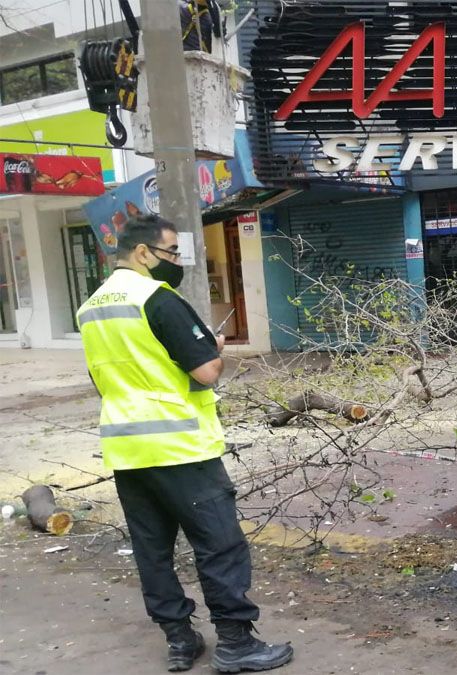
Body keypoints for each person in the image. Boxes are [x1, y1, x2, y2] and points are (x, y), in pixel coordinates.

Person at [77, 216, 292, 674]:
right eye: (171, 252)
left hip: (127, 450)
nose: (176, 261)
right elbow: (206, 372)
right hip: (180, 449)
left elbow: (103, 378)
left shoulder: (91, 307)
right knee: (219, 544)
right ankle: (235, 643)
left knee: (152, 550)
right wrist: (211, 349)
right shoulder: (158, 299)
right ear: (142, 253)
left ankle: (179, 640)